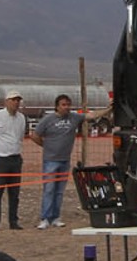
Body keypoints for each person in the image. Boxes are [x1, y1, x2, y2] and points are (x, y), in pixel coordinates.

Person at [30, 94, 110, 229]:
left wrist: (109, 109)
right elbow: (35, 135)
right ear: (57, 106)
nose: (66, 107)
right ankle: (45, 218)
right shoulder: (48, 119)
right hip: (50, 160)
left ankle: (55, 217)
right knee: (49, 190)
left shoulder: (74, 117)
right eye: (63, 105)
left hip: (64, 160)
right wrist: (46, 145)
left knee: (60, 190)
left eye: (68, 105)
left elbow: (91, 115)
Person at [0, 91, 29, 230]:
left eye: (18, 100)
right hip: (0, 159)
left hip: (15, 159)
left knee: (14, 193)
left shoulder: (21, 118)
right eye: (13, 100)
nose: (16, 103)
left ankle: (13, 221)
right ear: (7, 101)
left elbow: (20, 137)